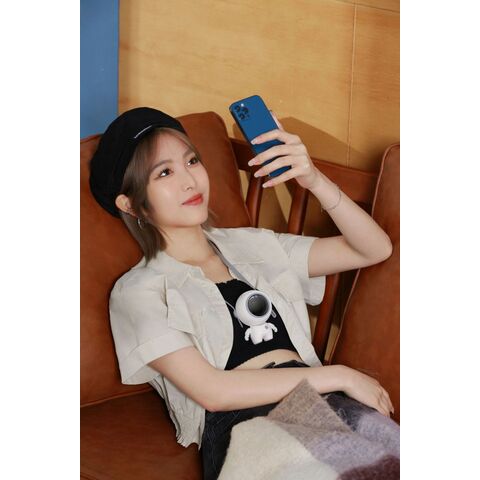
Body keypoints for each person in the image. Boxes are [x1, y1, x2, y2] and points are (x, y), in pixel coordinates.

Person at [89, 106, 396, 480]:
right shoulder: (139, 291)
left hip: (325, 402)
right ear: (130, 203)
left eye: (192, 161)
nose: (190, 181)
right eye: (165, 172)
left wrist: (313, 179)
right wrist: (341, 376)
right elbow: (214, 392)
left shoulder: (253, 245)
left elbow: (373, 249)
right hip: (245, 423)